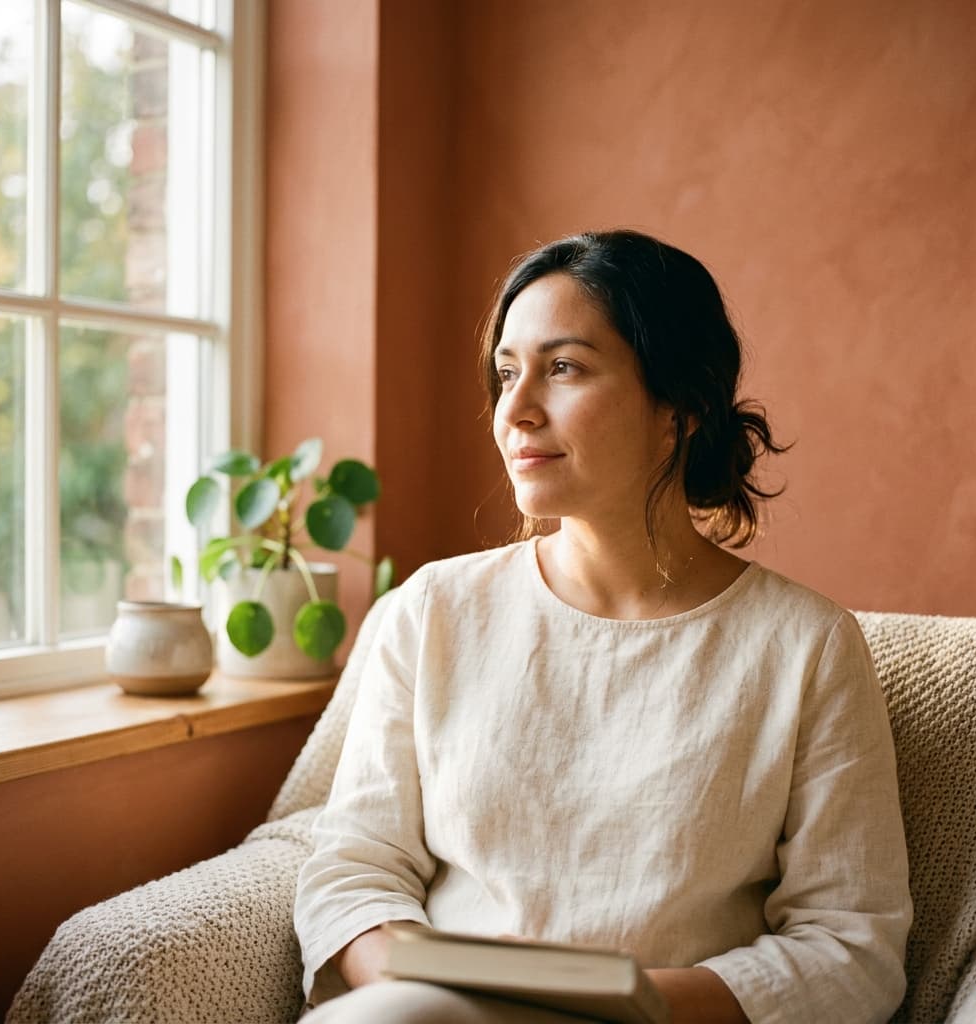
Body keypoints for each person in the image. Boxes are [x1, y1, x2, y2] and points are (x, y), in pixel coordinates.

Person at [294, 230, 912, 1023]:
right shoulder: (434, 610)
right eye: (507, 373)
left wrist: (614, 1000)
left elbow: (851, 951)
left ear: (679, 410)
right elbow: (351, 872)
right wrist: (438, 986)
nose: (515, 410)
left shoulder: (806, 648)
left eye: (563, 368)